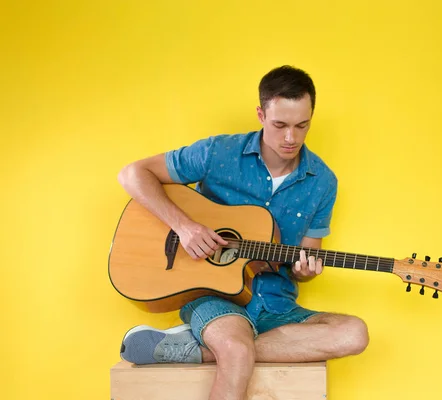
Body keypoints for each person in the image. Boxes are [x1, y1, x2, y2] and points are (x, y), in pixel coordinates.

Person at [117, 65, 369, 400]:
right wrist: (185, 226)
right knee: (235, 350)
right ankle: (229, 347)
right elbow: (133, 174)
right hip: (215, 297)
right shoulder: (218, 153)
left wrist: (304, 270)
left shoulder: (323, 181)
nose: (291, 137)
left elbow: (307, 260)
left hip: (278, 306)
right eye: (280, 125)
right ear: (261, 114)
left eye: (302, 125)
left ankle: (194, 350)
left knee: (354, 334)